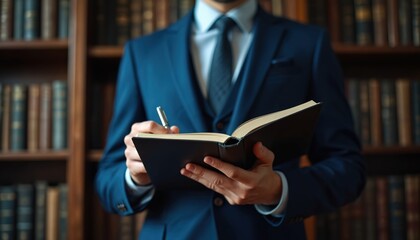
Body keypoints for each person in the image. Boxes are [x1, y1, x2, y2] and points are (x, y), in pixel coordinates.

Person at [95, 0, 366, 239]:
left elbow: (348, 167)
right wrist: (135, 176)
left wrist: (278, 190)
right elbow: (108, 177)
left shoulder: (308, 43)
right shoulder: (143, 52)